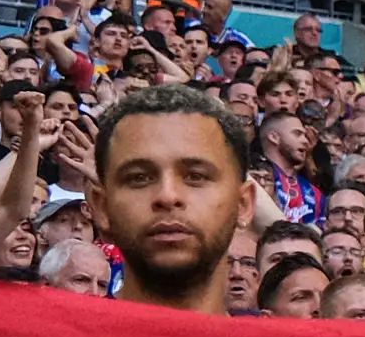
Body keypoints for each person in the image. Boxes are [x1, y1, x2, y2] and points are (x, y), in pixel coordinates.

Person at [90, 85, 255, 316]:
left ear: (243, 204)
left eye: (196, 176)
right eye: (139, 178)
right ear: (101, 206)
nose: (168, 196)